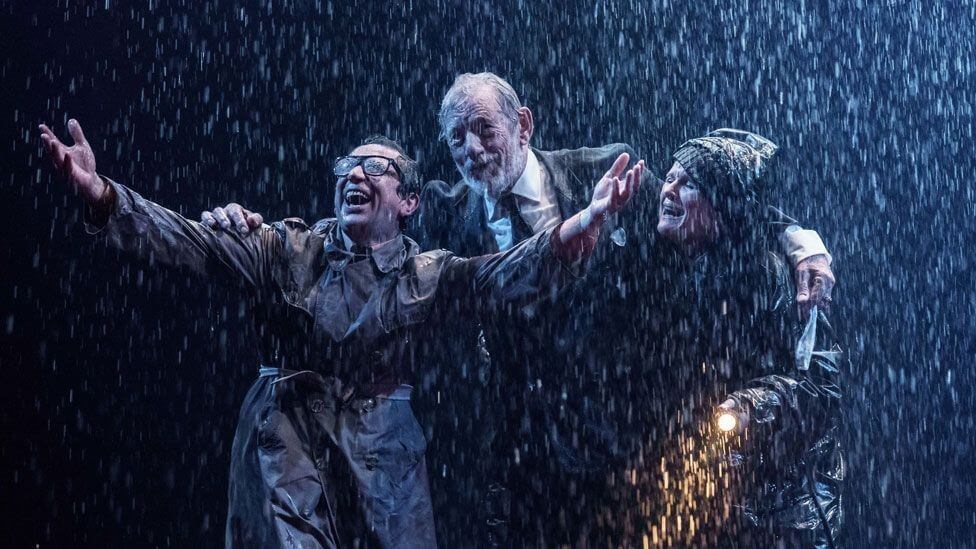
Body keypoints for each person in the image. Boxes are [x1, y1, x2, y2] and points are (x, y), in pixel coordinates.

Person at [204, 72, 839, 546]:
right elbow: (360, 230)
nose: (471, 147)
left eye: (484, 128)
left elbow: (719, 200)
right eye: (456, 137)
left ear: (523, 125)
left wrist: (797, 239)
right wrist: (256, 228)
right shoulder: (444, 213)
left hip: (626, 449)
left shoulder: (603, 169)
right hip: (515, 459)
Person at [37, 118, 643, 548]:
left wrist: (585, 220)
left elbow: (505, 272)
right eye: (347, 166)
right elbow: (184, 241)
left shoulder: (426, 273)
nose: (356, 174)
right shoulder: (282, 248)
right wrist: (103, 195)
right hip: (287, 437)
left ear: (408, 201)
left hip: (385, 449)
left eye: (375, 168)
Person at [633, 129, 843, 547]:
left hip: (782, 504)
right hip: (701, 492)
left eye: (688, 184)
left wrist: (748, 406)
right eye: (669, 177)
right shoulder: (659, 260)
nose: (668, 190)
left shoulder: (779, 279)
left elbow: (822, 384)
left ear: (722, 207)